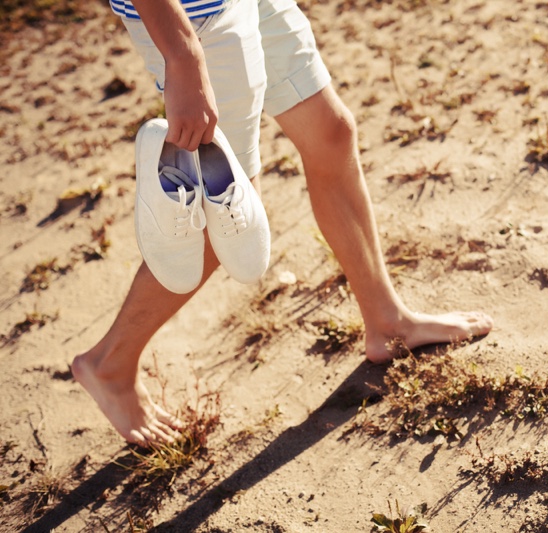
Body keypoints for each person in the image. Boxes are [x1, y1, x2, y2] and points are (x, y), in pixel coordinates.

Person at [71, 0, 494, 447]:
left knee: (329, 132)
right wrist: (183, 55)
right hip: (195, 19)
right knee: (226, 221)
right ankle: (109, 364)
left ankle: (387, 322)